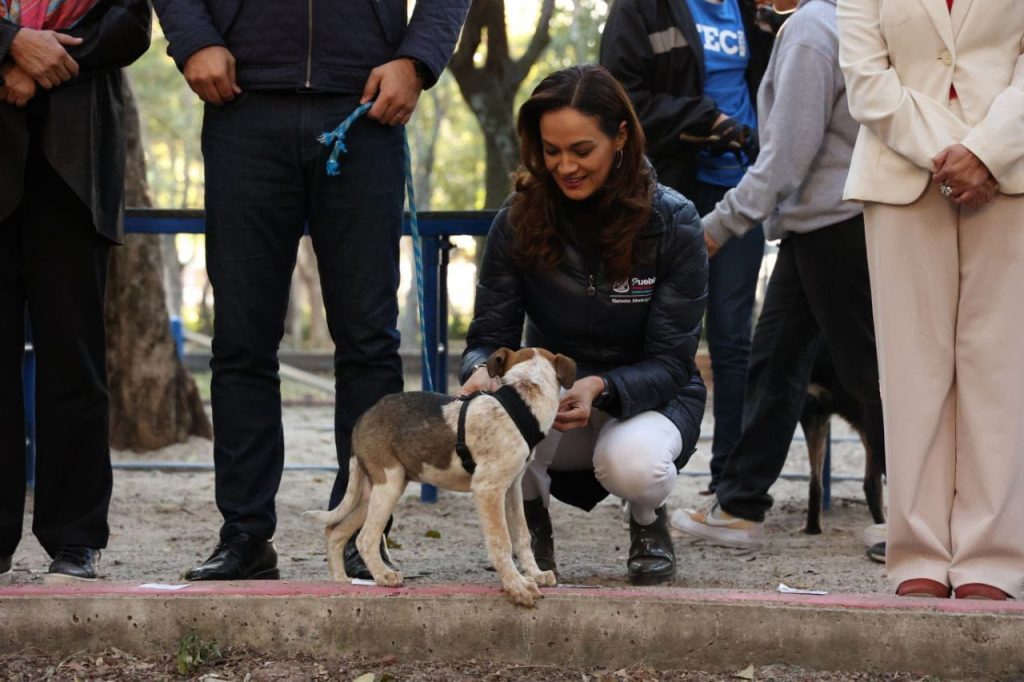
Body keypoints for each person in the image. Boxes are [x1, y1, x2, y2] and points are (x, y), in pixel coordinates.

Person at [150, 0, 470, 580]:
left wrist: (418, 59)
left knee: (369, 341)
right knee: (241, 341)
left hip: (365, 105)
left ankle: (364, 536)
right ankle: (245, 535)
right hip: (241, 103)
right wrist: (193, 39)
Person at [460, 65, 708, 586]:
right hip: (554, 397)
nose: (565, 166)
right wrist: (481, 371)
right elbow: (488, 337)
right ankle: (529, 526)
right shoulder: (518, 218)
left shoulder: (674, 221)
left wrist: (602, 387)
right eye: (552, 151)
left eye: (581, 150)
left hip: (651, 396)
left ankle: (647, 520)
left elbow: (671, 360)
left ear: (621, 137)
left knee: (634, 466)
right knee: (495, 415)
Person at [668, 0, 885, 550]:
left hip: (837, 221)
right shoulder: (849, 19)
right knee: (776, 363)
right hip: (823, 221)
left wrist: (720, 224)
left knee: (869, 372)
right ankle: (741, 505)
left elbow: (785, 156)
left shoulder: (813, 29)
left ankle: (922, 515)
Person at [838, 0, 1024, 600]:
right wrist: (956, 157)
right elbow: (867, 83)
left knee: (999, 367)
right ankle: (916, 550)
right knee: (911, 369)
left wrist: (990, 151)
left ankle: (993, 558)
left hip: (1013, 175)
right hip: (901, 180)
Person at [0, 0, 151, 583]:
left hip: (76, 159)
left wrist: (38, 61)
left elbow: (132, 24)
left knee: (75, 361)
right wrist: (8, 42)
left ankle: (76, 537)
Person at [601, 0, 772, 494]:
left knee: (733, 338)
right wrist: (704, 120)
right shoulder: (639, 10)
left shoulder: (750, 9)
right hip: (665, 193)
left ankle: (730, 482)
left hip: (739, 190)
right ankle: (641, 476)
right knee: (652, 334)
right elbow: (617, 102)